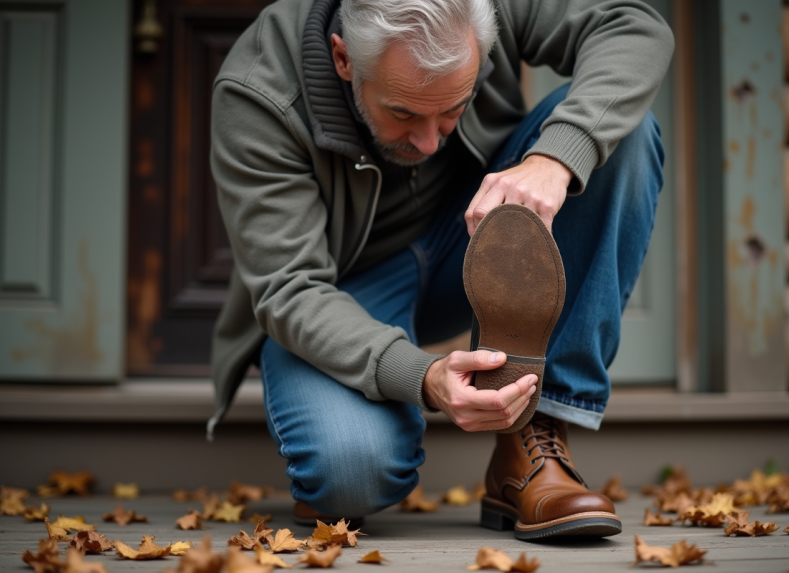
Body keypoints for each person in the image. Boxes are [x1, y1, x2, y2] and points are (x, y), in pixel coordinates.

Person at [208, 0, 673, 541]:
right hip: (341, 290)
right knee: (351, 475)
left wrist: (557, 158)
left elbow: (635, 25)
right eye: (403, 113)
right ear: (342, 59)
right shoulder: (257, 92)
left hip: (477, 238)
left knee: (621, 135)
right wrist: (422, 377)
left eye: (454, 107)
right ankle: (333, 449)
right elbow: (290, 288)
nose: (430, 141)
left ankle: (533, 439)